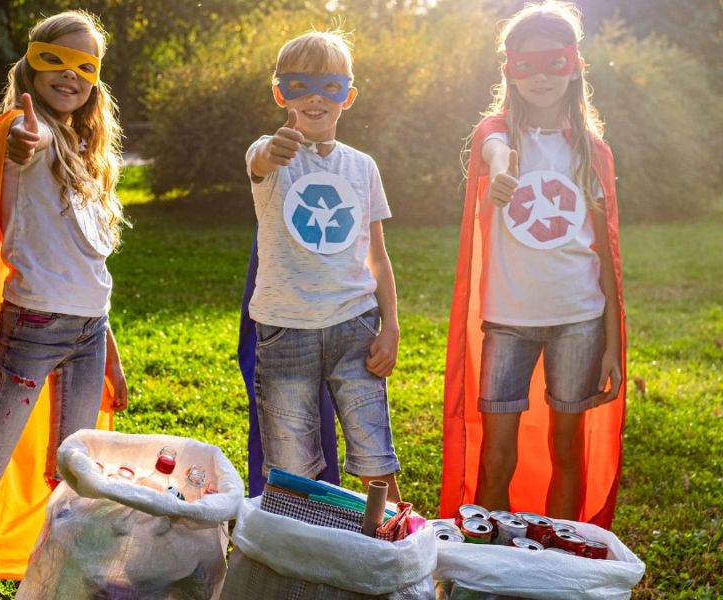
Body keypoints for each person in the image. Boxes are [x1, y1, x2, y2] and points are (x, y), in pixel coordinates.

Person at [0, 10, 127, 577]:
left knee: (72, 465)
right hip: (34, 327)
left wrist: (108, 350)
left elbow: (89, 265)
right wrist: (22, 138)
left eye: (85, 67)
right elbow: (18, 144)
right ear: (32, 66)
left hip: (88, 332)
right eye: (55, 61)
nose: (70, 76)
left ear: (96, 79)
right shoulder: (26, 132)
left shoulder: (85, 151)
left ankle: (60, 564)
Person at [441, 0, 626, 525]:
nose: (541, 77)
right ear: (509, 72)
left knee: (566, 448)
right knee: (496, 453)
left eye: (554, 62)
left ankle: (559, 559)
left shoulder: (592, 151)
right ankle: (490, 562)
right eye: (527, 65)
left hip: (580, 320)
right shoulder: (496, 135)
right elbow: (494, 146)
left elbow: (605, 254)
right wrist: (501, 168)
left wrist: (612, 340)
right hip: (509, 322)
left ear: (575, 66)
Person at [245, 30, 402, 502]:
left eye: (330, 87)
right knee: (291, 472)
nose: (315, 98)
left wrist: (390, 323)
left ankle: (390, 555)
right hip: (285, 331)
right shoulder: (272, 155)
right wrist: (274, 150)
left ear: (348, 97)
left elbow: (377, 254)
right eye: (299, 86)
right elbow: (260, 158)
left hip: (355, 326)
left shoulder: (363, 167)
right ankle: (300, 562)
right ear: (280, 94)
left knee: (376, 458)